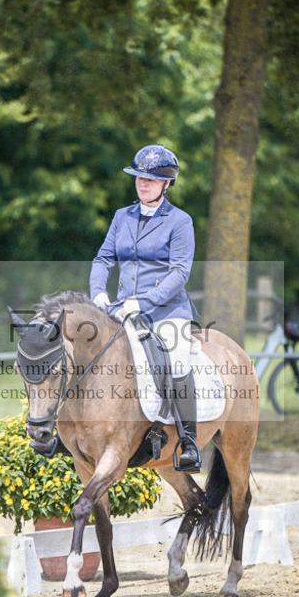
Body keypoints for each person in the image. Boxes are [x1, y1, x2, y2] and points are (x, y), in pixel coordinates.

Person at [89, 144, 202, 472]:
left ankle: (188, 440)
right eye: (139, 178)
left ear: (166, 185)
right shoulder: (121, 216)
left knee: (178, 359)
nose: (142, 183)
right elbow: (103, 258)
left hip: (167, 310)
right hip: (122, 308)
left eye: (150, 180)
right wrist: (98, 293)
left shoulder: (180, 221)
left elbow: (180, 273)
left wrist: (142, 302)